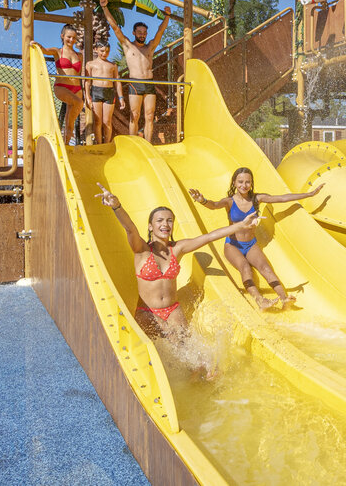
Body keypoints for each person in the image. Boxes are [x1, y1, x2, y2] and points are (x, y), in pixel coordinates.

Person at [95, 182, 260, 379]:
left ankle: (202, 380)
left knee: (190, 351)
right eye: (160, 221)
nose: (165, 224)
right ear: (150, 226)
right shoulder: (141, 250)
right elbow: (130, 229)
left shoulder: (177, 249)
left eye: (169, 220)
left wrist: (241, 225)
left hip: (173, 309)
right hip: (147, 311)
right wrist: (116, 206)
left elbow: (209, 237)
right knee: (157, 349)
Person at [190, 167, 324, 310]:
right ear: (234, 182)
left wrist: (309, 194)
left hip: (250, 244)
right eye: (240, 181)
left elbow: (281, 198)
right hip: (233, 245)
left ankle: (285, 298)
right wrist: (202, 200)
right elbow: (214, 205)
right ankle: (260, 300)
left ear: (251, 183)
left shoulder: (256, 199)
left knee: (265, 268)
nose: (244, 185)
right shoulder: (229, 201)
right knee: (245, 268)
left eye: (248, 182)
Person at [100, 1, 171, 142]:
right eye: (139, 32)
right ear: (134, 33)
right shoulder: (128, 46)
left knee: (150, 116)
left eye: (144, 33)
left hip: (149, 83)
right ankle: (134, 144)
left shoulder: (150, 47)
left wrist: (167, 16)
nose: (142, 35)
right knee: (135, 115)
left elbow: (160, 32)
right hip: (135, 83)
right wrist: (104, 7)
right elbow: (115, 28)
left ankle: (148, 144)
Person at [50, 24, 85, 142]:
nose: (72, 40)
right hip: (62, 86)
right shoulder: (57, 51)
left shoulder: (79, 55)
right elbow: (43, 50)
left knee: (70, 123)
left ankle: (66, 145)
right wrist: (35, 45)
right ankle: (64, 140)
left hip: (77, 88)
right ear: (62, 36)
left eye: (74, 38)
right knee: (79, 103)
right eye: (69, 37)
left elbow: (80, 74)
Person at [85, 42, 120, 144]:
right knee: (98, 121)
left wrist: (121, 97)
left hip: (109, 92)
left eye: (107, 51)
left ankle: (107, 143)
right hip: (96, 91)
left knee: (107, 121)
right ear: (96, 49)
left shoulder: (112, 65)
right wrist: (87, 97)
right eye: (102, 51)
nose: (105, 53)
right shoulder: (90, 64)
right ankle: (99, 144)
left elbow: (117, 82)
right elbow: (87, 82)